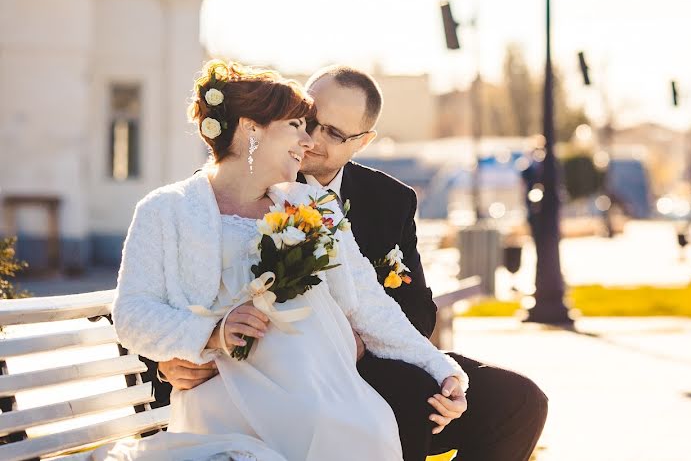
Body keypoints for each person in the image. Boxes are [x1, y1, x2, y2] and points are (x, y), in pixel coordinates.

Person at [161, 65, 548, 461]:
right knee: (413, 397)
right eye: (307, 120)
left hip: (375, 356)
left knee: (520, 402)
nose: (310, 138)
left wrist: (376, 348)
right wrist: (168, 360)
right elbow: (164, 291)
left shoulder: (389, 199)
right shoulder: (233, 190)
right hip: (279, 372)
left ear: (363, 141)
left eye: (333, 133)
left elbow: (415, 309)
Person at [110, 60, 468, 460]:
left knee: (366, 425)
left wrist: (442, 368)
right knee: (330, 426)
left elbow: (369, 303)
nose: (307, 142)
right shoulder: (167, 209)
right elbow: (131, 314)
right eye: (296, 127)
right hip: (229, 390)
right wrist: (211, 331)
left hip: (322, 386)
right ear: (251, 128)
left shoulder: (312, 204)